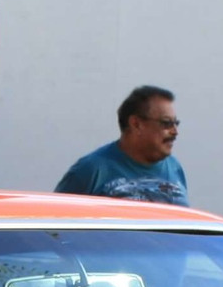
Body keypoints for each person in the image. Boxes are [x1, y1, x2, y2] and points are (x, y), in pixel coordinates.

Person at [53, 85, 188, 204]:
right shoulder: (91, 170)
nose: (175, 132)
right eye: (166, 123)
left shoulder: (174, 167)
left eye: (176, 123)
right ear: (136, 124)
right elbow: (57, 223)